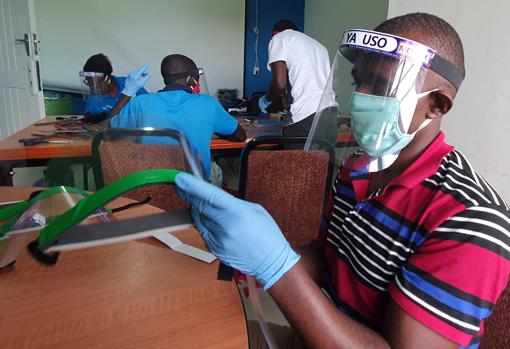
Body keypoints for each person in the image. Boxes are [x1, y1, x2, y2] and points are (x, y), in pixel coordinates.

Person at [174, 13, 510, 348]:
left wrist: (275, 266)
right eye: (359, 81)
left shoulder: (470, 219)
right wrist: (248, 252)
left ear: (436, 105)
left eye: (380, 86)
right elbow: (326, 258)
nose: (361, 96)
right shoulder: (357, 171)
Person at [109, 54, 246, 181]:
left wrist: (127, 92)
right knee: (215, 170)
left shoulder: (141, 102)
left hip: (151, 187)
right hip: (194, 191)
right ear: (190, 79)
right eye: (196, 78)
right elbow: (240, 136)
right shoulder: (208, 103)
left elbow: (108, 126)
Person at [258, 19, 331, 137]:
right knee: (323, 155)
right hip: (329, 113)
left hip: (304, 115)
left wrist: (266, 100)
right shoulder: (319, 46)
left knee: (296, 156)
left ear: (275, 33)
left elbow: (280, 84)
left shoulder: (279, 38)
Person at [81, 53, 149, 117]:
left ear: (107, 79)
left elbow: (149, 106)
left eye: (97, 83)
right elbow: (93, 125)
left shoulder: (130, 84)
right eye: (89, 83)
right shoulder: (93, 101)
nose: (92, 88)